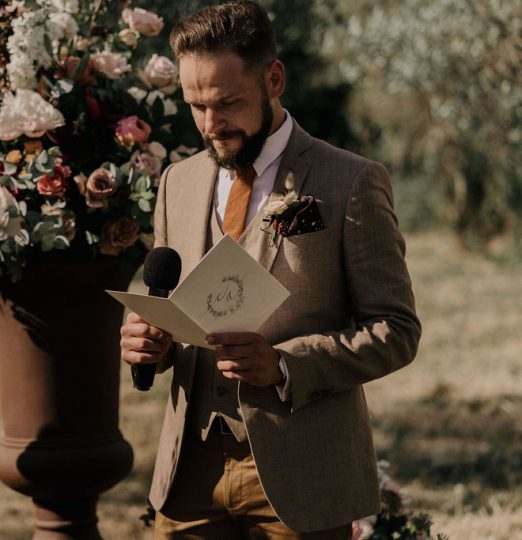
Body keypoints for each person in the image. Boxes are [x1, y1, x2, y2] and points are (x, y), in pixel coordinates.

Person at [119, 2, 422, 538]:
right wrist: (152, 344)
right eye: (195, 105)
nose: (211, 125)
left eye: (228, 102)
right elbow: (171, 305)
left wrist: (285, 365)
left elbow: (396, 331)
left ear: (274, 78)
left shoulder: (350, 181)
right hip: (187, 476)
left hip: (302, 480)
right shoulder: (176, 182)